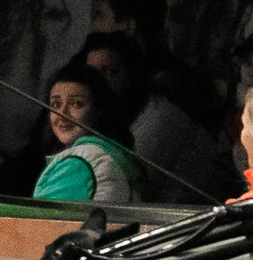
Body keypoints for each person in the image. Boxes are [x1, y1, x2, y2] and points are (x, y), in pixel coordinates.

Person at [80, 28, 232, 204]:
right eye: (92, 73)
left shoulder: (160, 119)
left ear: (131, 74)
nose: (99, 81)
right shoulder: (107, 114)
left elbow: (126, 185)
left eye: (112, 72)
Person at [92, 0, 226, 133]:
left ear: (128, 26)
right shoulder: (138, 76)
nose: (93, 26)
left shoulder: (170, 87)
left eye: (100, 16)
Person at [31, 64, 138, 206]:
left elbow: (39, 225)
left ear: (98, 111)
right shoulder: (108, 153)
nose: (62, 114)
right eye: (56, 104)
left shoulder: (79, 163)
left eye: (77, 104)